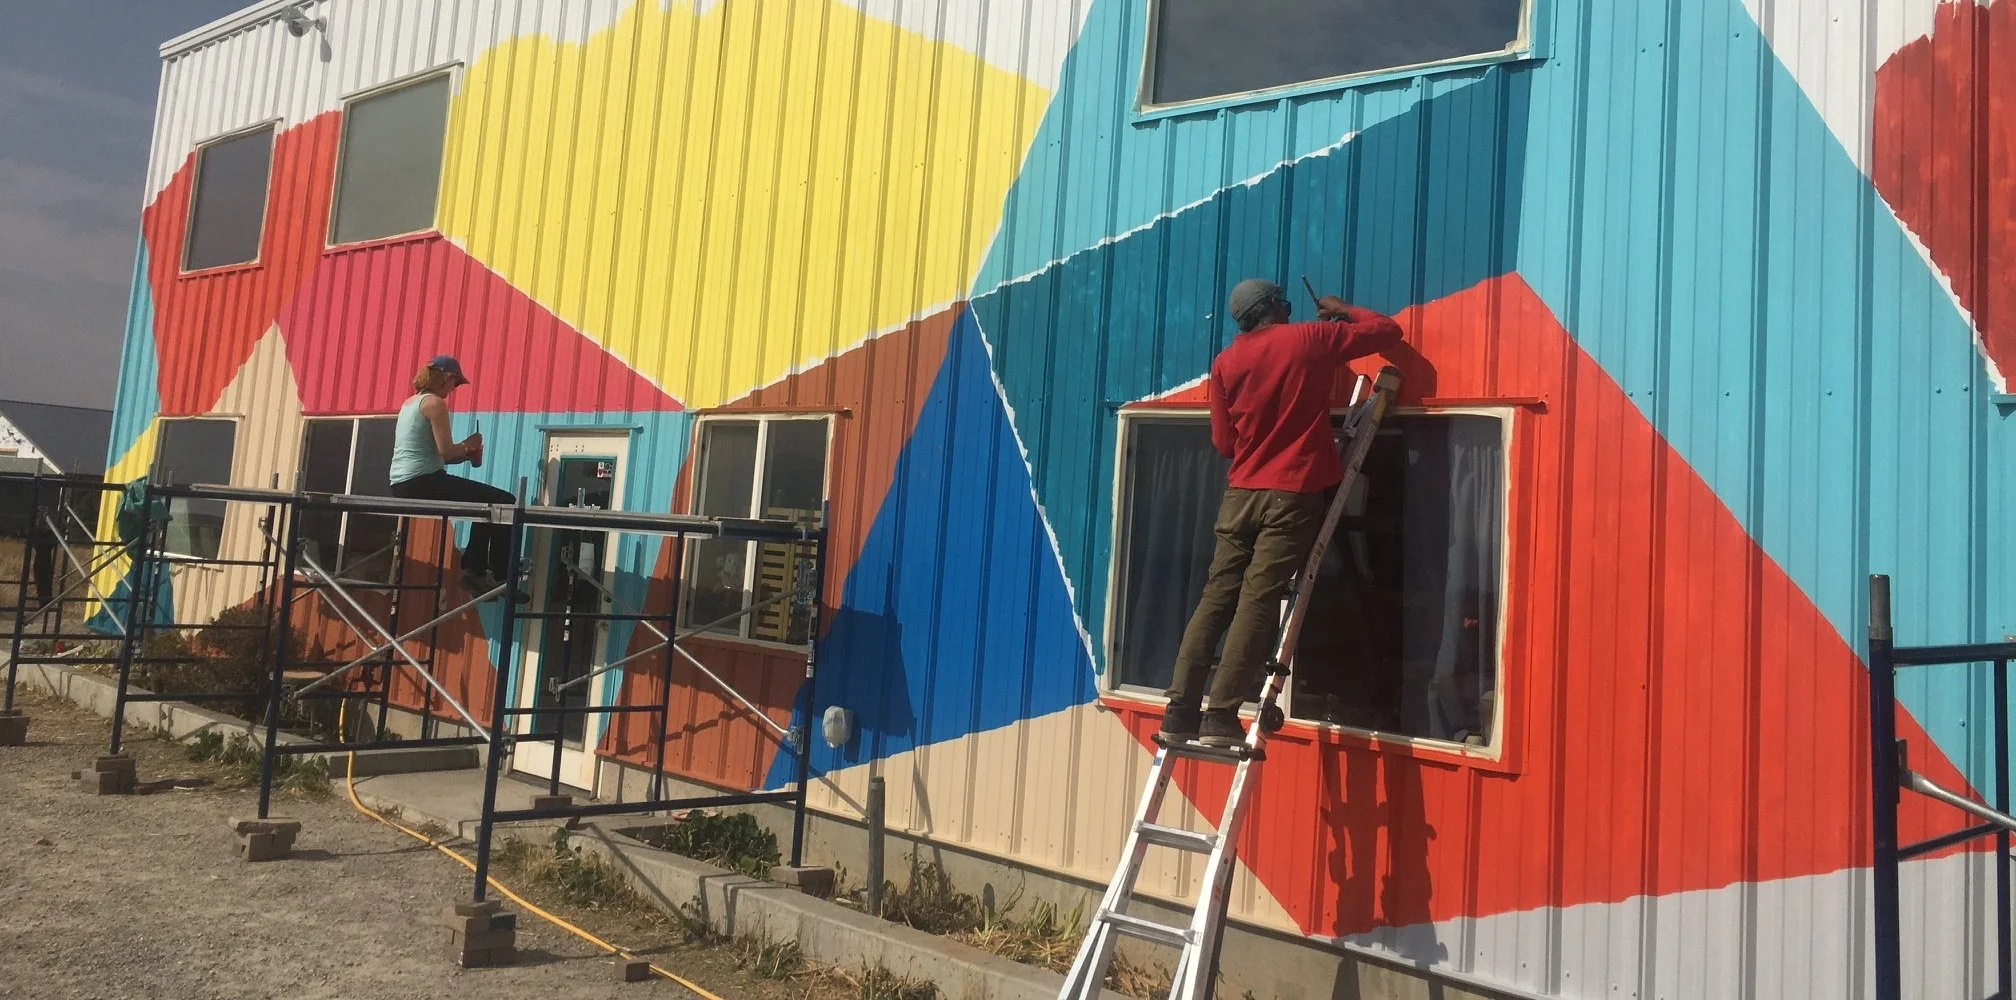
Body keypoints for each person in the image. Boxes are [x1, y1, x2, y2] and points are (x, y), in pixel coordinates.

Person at [1161, 279, 1403, 747]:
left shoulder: (1226, 363)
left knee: (1216, 597)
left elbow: (1224, 444)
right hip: (1290, 491)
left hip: (1240, 494)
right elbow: (1386, 331)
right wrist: (1342, 308)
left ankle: (1179, 710)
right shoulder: (1308, 339)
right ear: (1273, 306)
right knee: (1259, 598)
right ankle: (1221, 717)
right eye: (1285, 303)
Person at [387, 355, 520, 599]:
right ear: (445, 378)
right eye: (455, 384)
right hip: (423, 481)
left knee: (487, 503)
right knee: (506, 502)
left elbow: (442, 457)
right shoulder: (435, 404)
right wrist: (469, 445)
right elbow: (446, 451)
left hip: (405, 482)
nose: (453, 390)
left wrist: (467, 455)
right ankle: (498, 575)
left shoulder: (410, 403)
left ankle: (476, 571)